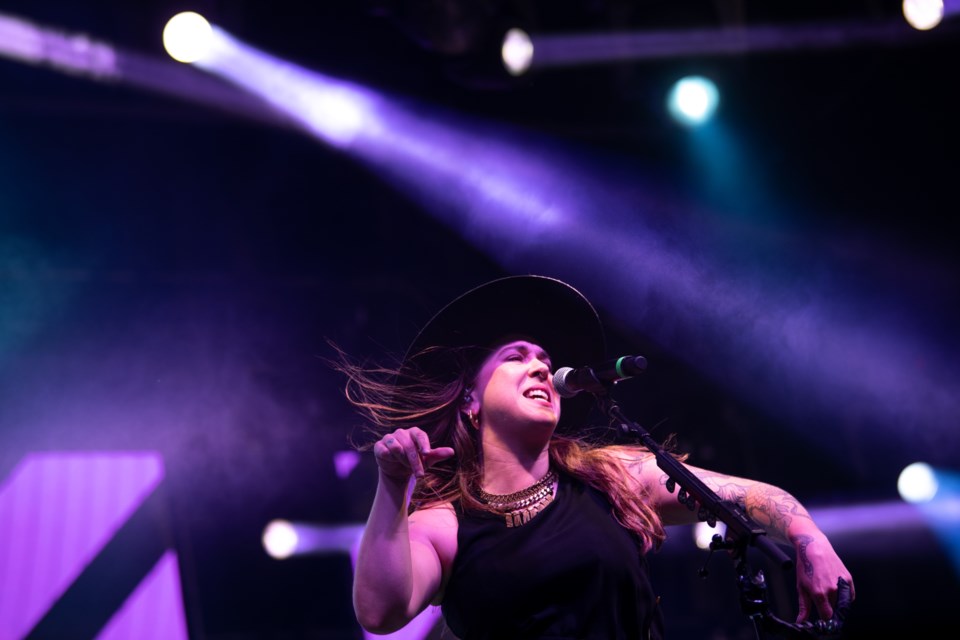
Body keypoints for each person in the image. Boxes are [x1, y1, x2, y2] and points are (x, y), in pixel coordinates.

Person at [335, 274, 854, 639]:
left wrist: (810, 538)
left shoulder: (611, 476)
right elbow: (381, 613)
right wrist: (392, 488)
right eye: (515, 358)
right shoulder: (444, 525)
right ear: (469, 401)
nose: (540, 367)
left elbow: (748, 496)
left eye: (546, 360)